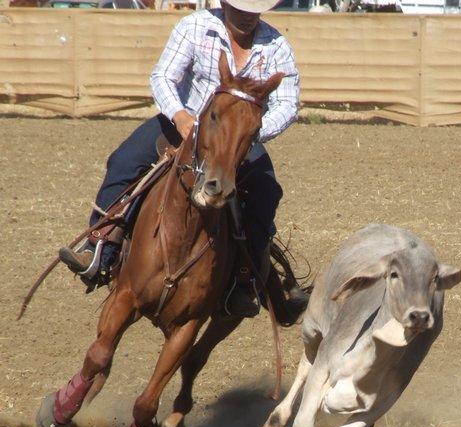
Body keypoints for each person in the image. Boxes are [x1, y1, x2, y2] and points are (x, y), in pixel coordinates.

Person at [58, 0, 300, 317]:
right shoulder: (194, 26)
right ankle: (99, 248)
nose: (247, 16)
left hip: (235, 138)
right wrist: (179, 114)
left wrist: (249, 132)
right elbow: (163, 76)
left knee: (266, 192)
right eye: (240, 8)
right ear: (224, 4)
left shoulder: (276, 45)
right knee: (124, 162)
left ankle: (245, 281)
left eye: (253, 10)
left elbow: (288, 103)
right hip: (181, 125)